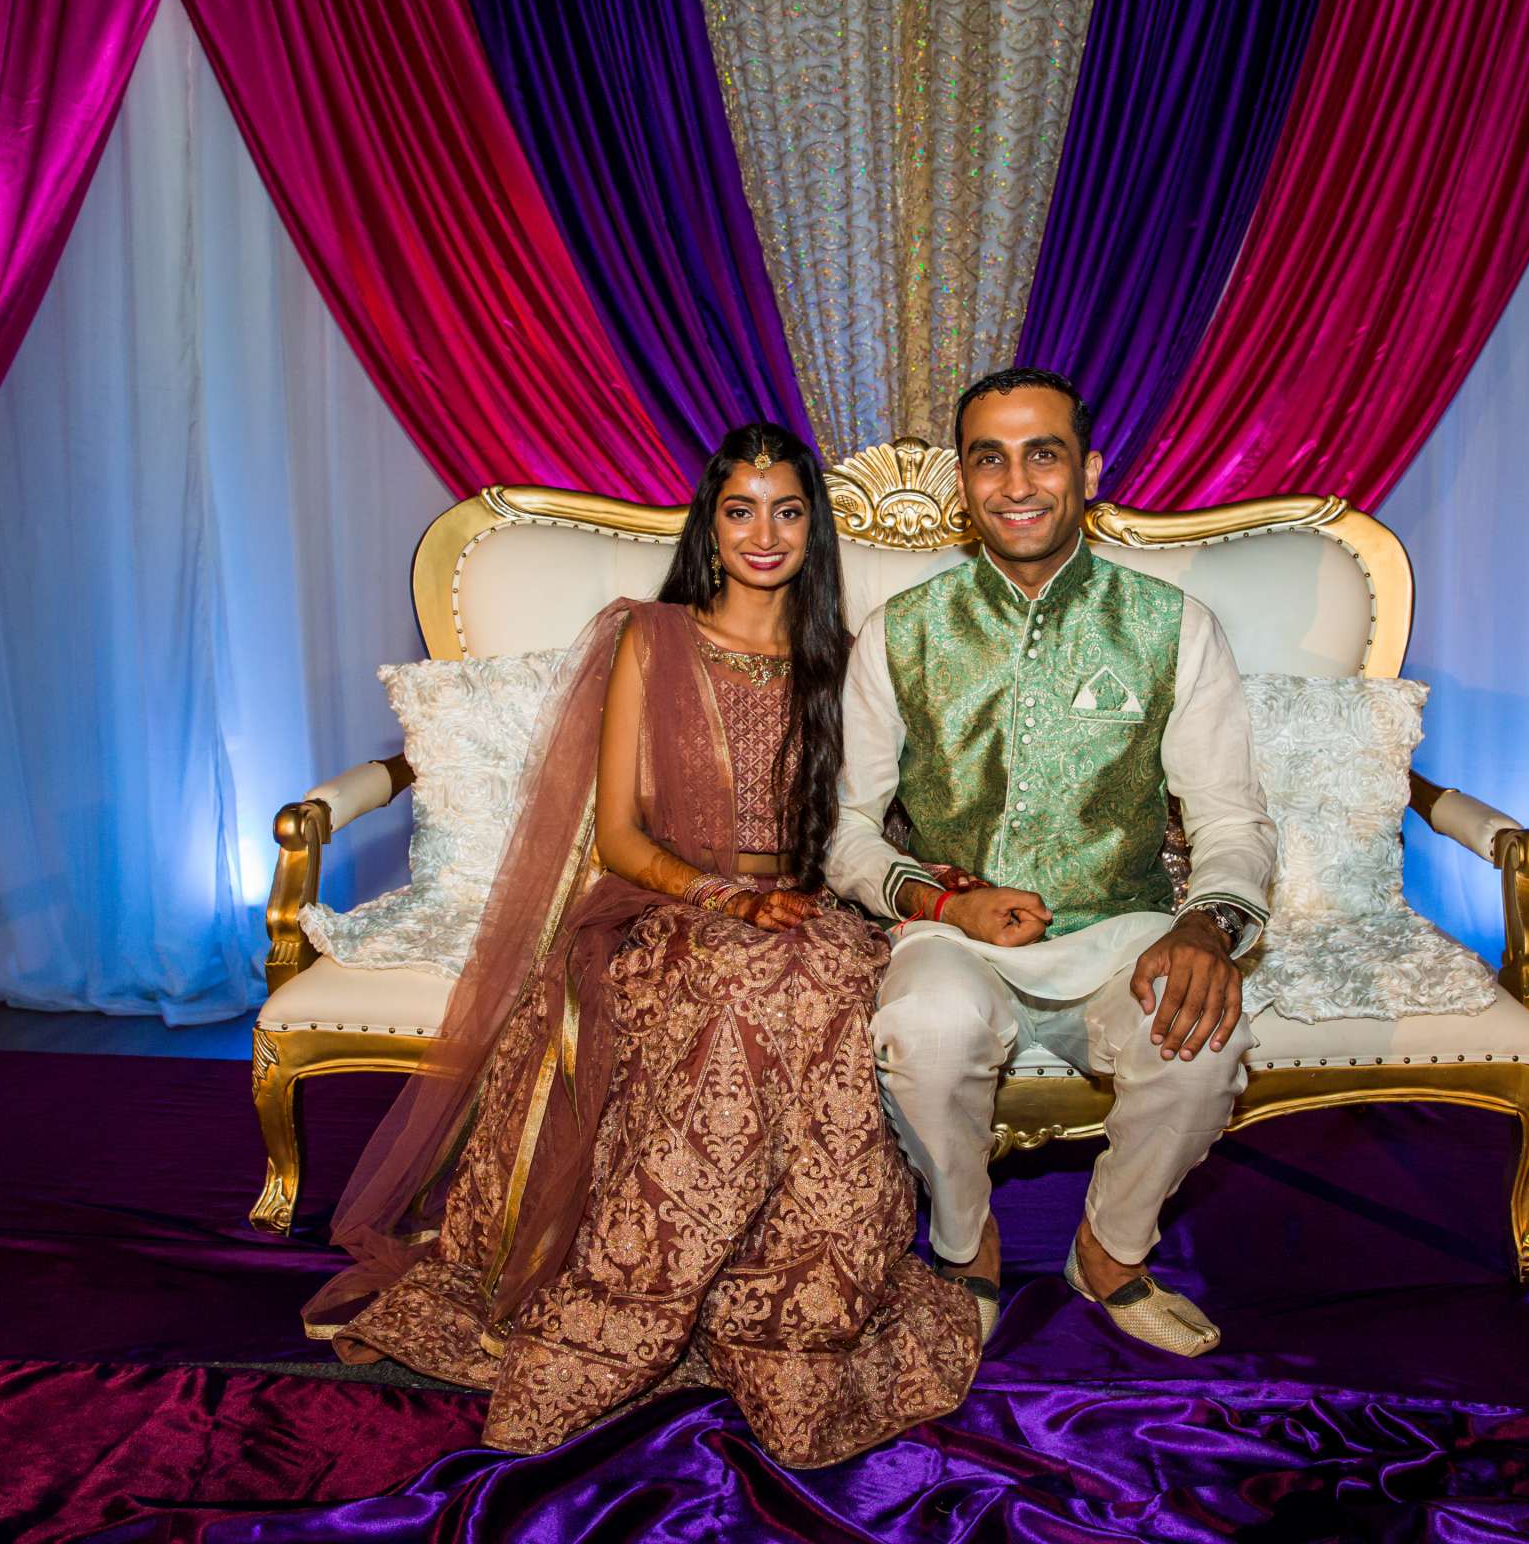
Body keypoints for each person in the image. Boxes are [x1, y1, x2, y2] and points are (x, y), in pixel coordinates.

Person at [308, 423, 978, 1468]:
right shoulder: (648, 639)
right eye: (741, 508)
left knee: (829, 973)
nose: (765, 532)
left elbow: (873, 822)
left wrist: (930, 882)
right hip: (665, 908)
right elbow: (618, 834)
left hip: (806, 912)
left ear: (815, 530)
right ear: (710, 524)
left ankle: (800, 1313)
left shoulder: (839, 662)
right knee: (748, 979)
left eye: (788, 510)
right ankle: (636, 1303)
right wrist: (720, 895)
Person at [826, 368, 1278, 1357]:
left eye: (1044, 453)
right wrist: (944, 895)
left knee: (1205, 1042)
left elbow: (1233, 821)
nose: (1016, 481)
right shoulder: (901, 634)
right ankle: (965, 1244)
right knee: (924, 1025)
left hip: (1122, 931)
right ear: (963, 482)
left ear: (1088, 471)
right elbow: (847, 832)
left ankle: (1110, 1252)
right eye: (990, 457)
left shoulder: (1172, 627)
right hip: (953, 935)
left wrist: (1209, 925)